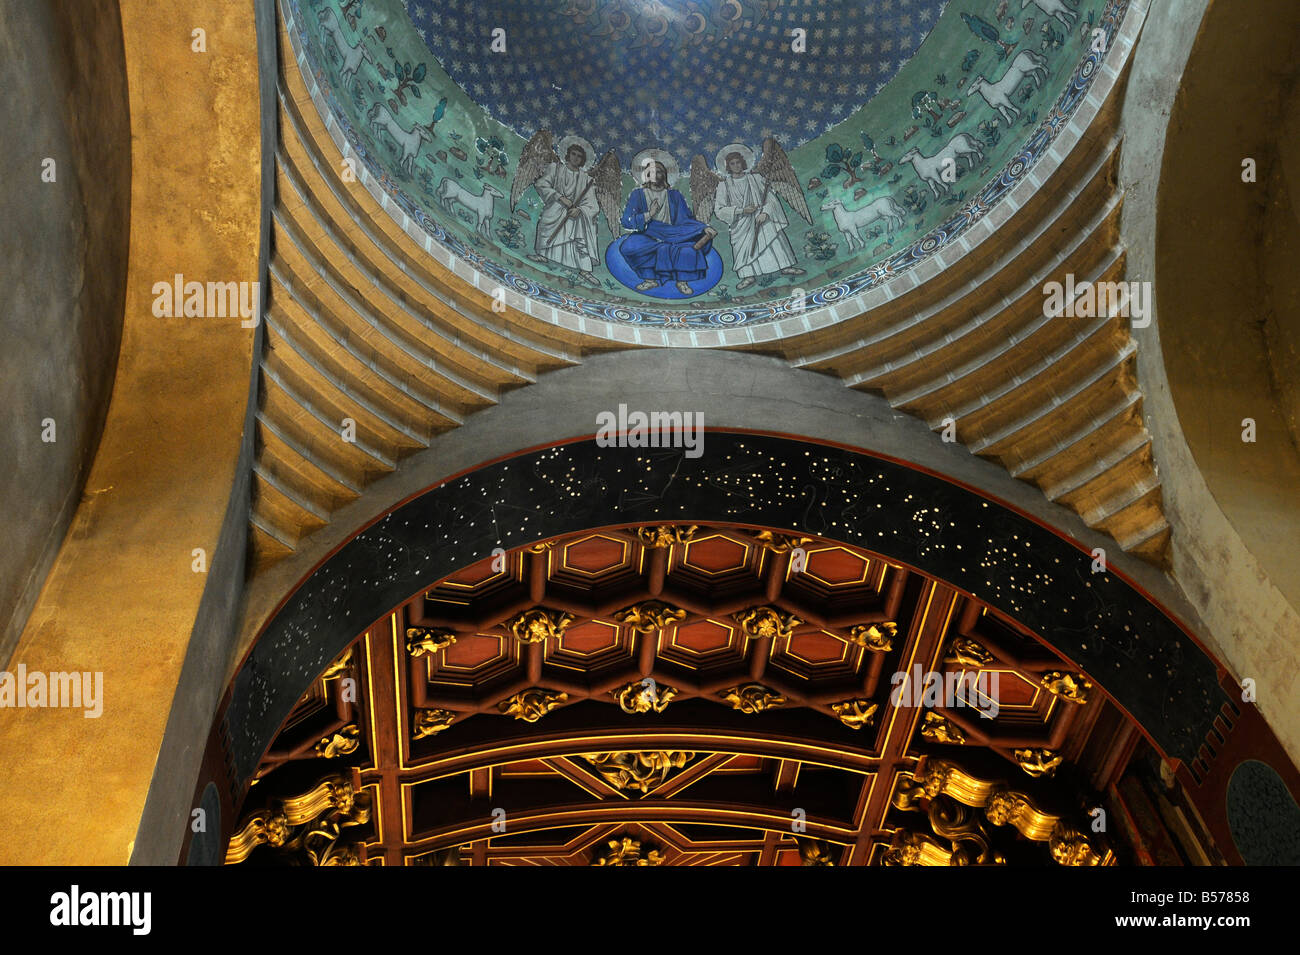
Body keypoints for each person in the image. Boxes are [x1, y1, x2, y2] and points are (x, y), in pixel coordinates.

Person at [620, 159, 716, 295]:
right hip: (648, 233)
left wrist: (702, 228)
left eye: (658, 172)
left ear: (664, 175)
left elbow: (686, 219)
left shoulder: (674, 195)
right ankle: (650, 279)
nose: (655, 175)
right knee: (629, 246)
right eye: (651, 172)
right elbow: (626, 221)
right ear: (646, 175)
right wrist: (649, 214)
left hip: (674, 233)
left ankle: (682, 281)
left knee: (687, 250)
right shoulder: (638, 194)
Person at [714, 151, 805, 291]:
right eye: (732, 164)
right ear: (728, 166)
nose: (736, 166)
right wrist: (742, 211)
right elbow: (719, 210)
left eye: (738, 162)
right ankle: (748, 275)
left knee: (773, 238)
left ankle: (785, 266)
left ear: (743, 163)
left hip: (761, 218)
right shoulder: (724, 186)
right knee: (743, 249)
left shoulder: (756, 178)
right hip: (741, 223)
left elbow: (770, 198)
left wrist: (765, 213)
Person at [528, 143, 600, 287]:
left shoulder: (586, 179)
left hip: (575, 215)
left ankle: (585, 270)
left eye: (580, 156)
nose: (576, 158)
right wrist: (559, 197)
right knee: (546, 224)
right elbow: (542, 184)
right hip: (556, 208)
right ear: (567, 154)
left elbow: (592, 204)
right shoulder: (556, 168)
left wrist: (580, 210)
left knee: (580, 235)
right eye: (573, 154)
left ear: (583, 160)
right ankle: (542, 254)